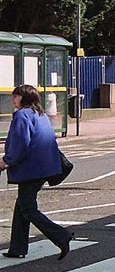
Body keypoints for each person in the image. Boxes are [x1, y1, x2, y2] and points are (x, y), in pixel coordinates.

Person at [1, 85, 74, 260]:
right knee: (22, 207)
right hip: (44, 168)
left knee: (28, 209)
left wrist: (6, 161)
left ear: (23, 98)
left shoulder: (22, 116)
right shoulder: (40, 114)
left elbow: (20, 145)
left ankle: (61, 236)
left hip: (31, 170)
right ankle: (17, 248)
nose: (13, 99)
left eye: (15, 96)